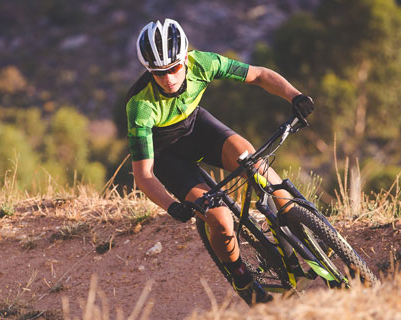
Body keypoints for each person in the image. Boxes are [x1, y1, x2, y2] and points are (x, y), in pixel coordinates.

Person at [125, 18, 315, 305]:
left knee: (253, 162)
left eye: (174, 68)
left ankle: (301, 223)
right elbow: (144, 175)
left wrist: (295, 95)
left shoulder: (203, 63)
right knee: (221, 220)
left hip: (197, 128)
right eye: (158, 72)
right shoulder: (140, 106)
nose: (168, 78)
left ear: (184, 58)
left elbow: (260, 75)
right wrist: (172, 206)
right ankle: (241, 277)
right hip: (167, 155)